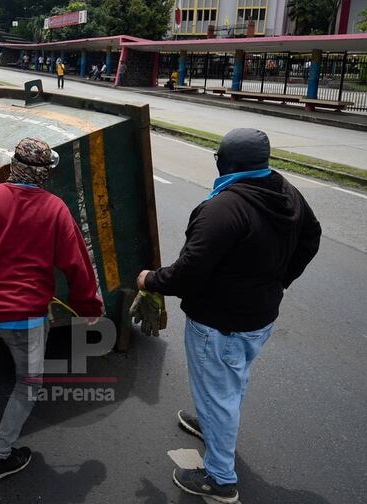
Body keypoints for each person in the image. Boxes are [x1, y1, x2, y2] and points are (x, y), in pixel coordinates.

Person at [136, 128, 321, 504]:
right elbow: (311, 237)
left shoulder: (223, 208)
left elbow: (189, 270)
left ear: (226, 163)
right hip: (259, 316)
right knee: (230, 381)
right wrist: (279, 281)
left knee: (220, 390)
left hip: (218, 323)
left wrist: (150, 280)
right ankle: (210, 423)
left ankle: (220, 479)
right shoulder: (284, 191)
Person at [0, 137, 103, 486]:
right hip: (26, 316)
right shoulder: (55, 209)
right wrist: (88, 306)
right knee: (28, 382)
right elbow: (76, 263)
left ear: (14, 165)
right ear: (43, 174)